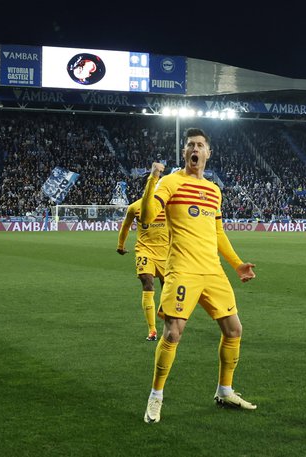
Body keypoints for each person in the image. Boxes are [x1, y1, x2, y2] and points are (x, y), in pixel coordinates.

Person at [139, 127, 257, 424]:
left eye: (200, 145)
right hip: (182, 270)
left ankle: (225, 390)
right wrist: (152, 180)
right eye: (190, 144)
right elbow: (147, 216)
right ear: (184, 153)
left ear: (208, 153)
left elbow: (217, 232)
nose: (195, 148)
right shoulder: (170, 181)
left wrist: (237, 264)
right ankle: (155, 398)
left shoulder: (214, 190)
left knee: (234, 330)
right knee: (173, 332)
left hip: (213, 271)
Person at [117, 197, 169, 341]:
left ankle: (164, 310)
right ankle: (152, 330)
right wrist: (121, 245)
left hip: (166, 251)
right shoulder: (134, 207)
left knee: (167, 286)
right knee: (147, 282)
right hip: (144, 250)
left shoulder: (168, 204)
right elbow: (126, 226)